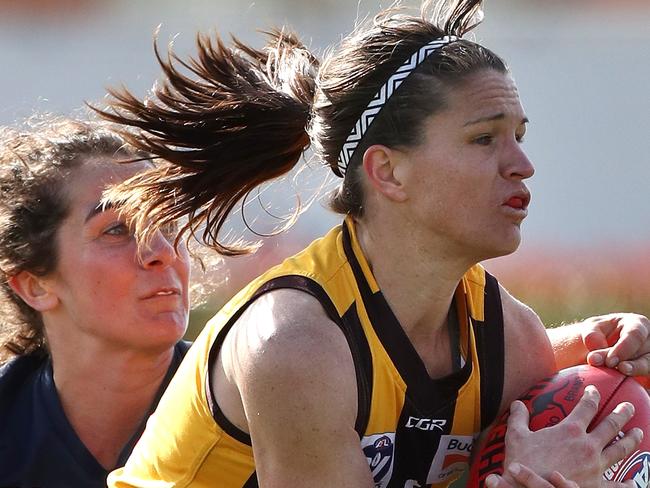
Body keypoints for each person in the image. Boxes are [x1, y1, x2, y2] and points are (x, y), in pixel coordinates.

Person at [95, 0, 649, 486]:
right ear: (387, 172)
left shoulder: (510, 338)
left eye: (519, 137)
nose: (523, 166)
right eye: (484, 139)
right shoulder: (295, 345)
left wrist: (601, 352)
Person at [0, 116, 192, 488]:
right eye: (116, 229)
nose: (162, 252)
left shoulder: (250, 407)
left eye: (167, 223)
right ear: (34, 286)